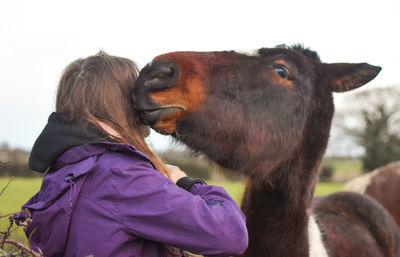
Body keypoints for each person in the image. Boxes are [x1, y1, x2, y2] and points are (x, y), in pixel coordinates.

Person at [14, 52, 248, 257]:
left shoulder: (67, 171)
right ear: (123, 104)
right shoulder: (120, 177)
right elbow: (231, 234)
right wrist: (186, 183)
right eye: (135, 95)